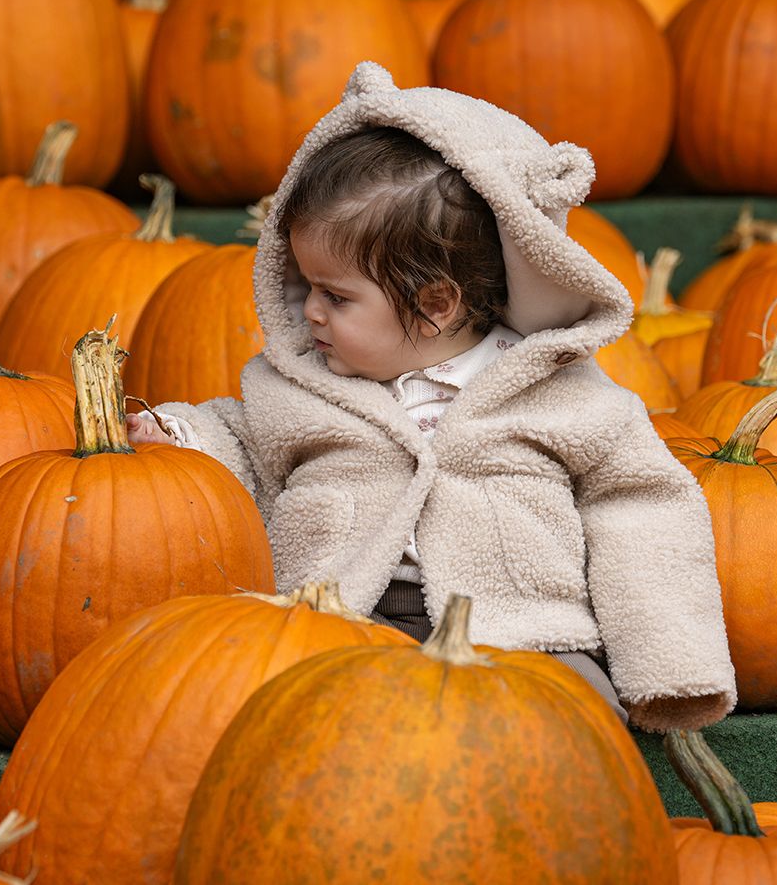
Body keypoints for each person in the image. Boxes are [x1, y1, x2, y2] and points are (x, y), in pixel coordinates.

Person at [125, 62, 736, 732]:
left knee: (572, 723)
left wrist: (670, 662)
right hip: (345, 624)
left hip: (520, 630)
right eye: (306, 286)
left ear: (436, 303)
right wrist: (181, 439)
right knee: (299, 720)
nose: (313, 312)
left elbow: (643, 506)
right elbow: (244, 437)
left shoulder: (554, 392)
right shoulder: (304, 384)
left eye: (336, 294)